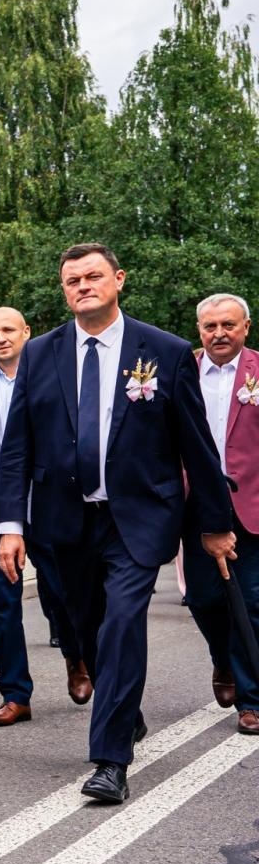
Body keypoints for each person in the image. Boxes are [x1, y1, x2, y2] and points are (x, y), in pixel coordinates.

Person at [0, 244, 235, 804]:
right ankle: (125, 711)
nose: (83, 285)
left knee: (124, 623)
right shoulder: (40, 354)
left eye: (94, 276)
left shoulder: (166, 351)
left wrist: (214, 523)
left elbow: (196, 448)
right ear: (64, 290)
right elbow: (17, 447)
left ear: (118, 280)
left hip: (139, 518)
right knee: (86, 629)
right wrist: (11, 522)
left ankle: (110, 761)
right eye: (72, 279)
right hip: (63, 520)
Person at [0, 307, 81, 727]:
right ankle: (16, 694)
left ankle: (76, 658)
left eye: (7, 330)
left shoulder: (52, 379)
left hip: (50, 506)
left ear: (26, 333)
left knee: (62, 595)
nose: (0, 338)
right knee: (2, 603)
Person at [181, 293, 259, 734]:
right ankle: (223, 660)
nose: (219, 333)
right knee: (204, 598)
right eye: (211, 327)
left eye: (228, 325)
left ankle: (252, 701)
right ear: (200, 331)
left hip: (251, 504)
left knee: (249, 601)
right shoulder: (182, 369)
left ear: (245, 327)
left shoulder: (258, 371)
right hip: (196, 505)